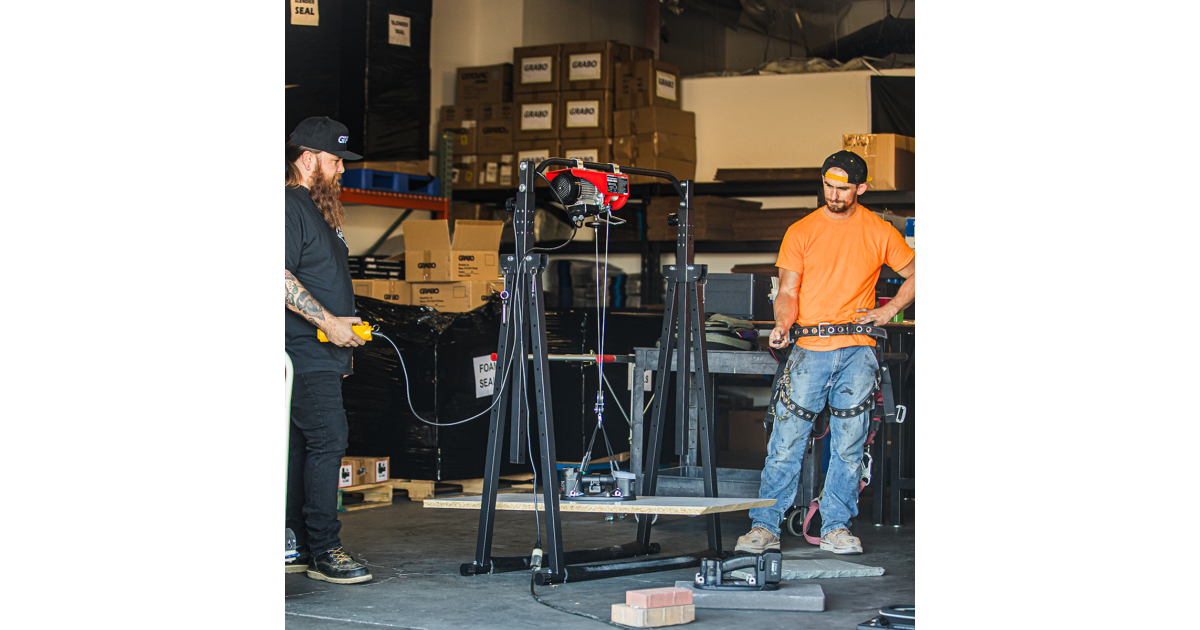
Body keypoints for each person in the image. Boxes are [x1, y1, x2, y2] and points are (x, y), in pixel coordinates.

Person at [735, 150, 915, 555]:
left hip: (857, 349)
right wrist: (782, 324)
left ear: (861, 189)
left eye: (843, 188)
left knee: (850, 445)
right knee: (785, 442)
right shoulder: (802, 230)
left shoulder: (879, 230)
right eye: (828, 187)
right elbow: (787, 291)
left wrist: (887, 311)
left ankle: (836, 527)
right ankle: (765, 526)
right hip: (810, 348)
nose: (834, 195)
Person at [284, 116, 373, 584]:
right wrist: (328, 325)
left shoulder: (320, 212)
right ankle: (325, 549)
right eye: (336, 160)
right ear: (308, 159)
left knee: (303, 446)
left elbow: (323, 281)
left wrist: (344, 339)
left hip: (325, 352)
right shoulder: (289, 206)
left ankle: (296, 542)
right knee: (327, 441)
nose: (342, 170)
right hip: (302, 351)